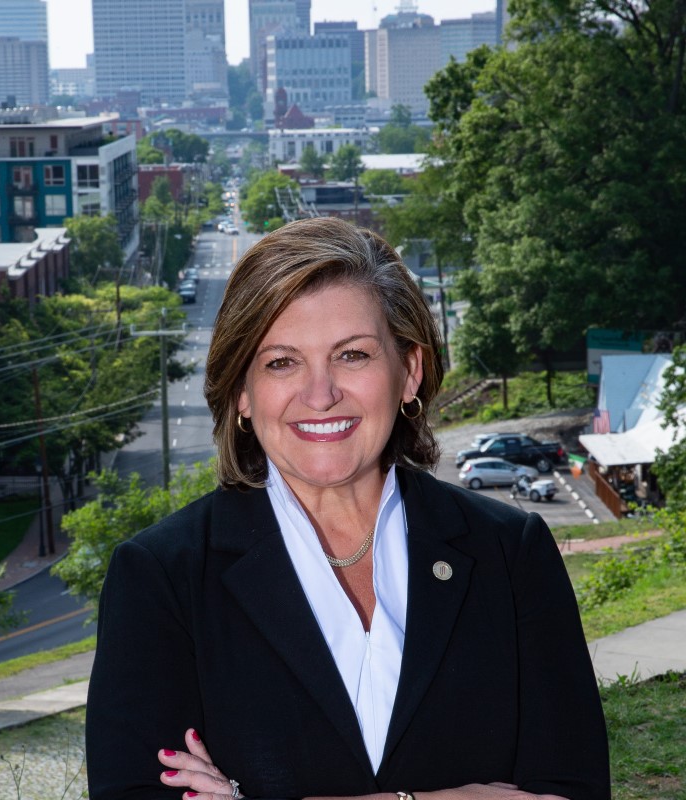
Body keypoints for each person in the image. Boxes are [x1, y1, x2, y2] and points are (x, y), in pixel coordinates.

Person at [86, 217, 610, 800]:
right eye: (281, 362)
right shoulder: (161, 576)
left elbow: (574, 787)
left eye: (353, 355)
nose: (320, 394)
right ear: (241, 392)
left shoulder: (510, 552)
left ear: (409, 370)